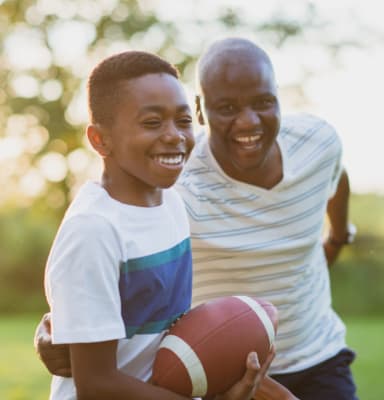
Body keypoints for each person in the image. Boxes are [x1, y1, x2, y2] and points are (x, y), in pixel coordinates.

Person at [36, 37, 357, 399]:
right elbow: (95, 263)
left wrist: (338, 236)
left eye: (263, 102)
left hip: (310, 354)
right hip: (210, 370)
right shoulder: (169, 193)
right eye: (227, 107)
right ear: (203, 111)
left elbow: (336, 176)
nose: (248, 120)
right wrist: (55, 329)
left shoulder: (316, 142)